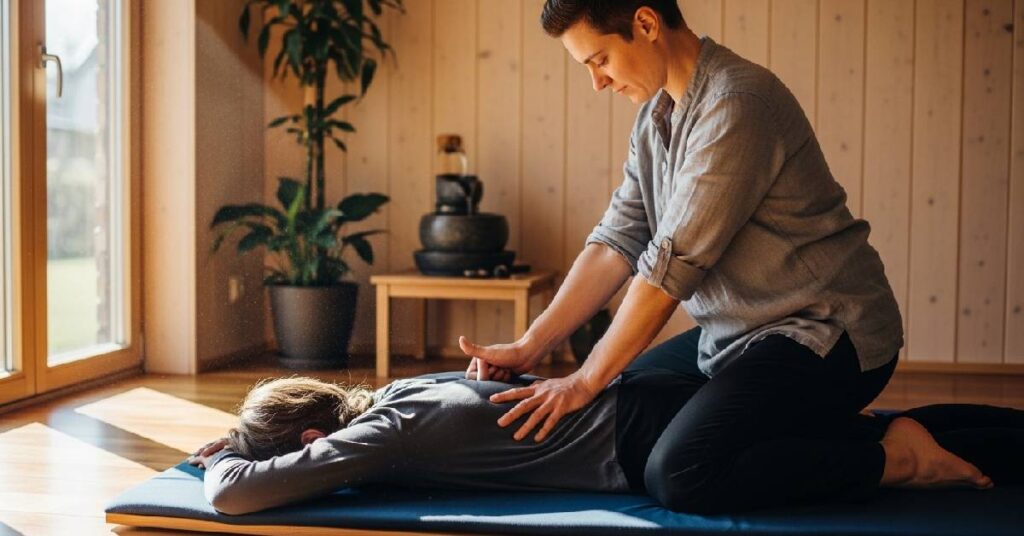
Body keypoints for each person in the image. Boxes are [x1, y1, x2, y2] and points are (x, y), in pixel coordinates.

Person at [456, 1, 922, 513]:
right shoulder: (655, 118)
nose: (598, 83)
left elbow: (669, 268)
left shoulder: (738, 102)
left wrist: (584, 379)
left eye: (601, 60)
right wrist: (530, 346)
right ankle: (843, 430)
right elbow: (616, 241)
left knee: (679, 471)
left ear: (647, 24)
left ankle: (897, 460)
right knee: (630, 405)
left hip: (826, 333)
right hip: (739, 334)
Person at [190, 371, 1022, 516]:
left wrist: (228, 454)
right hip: (653, 404)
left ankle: (905, 456)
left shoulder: (386, 431)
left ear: (310, 439)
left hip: (648, 437)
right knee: (861, 427)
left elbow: (232, 494)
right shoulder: (402, 392)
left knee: (868, 443)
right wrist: (242, 432)